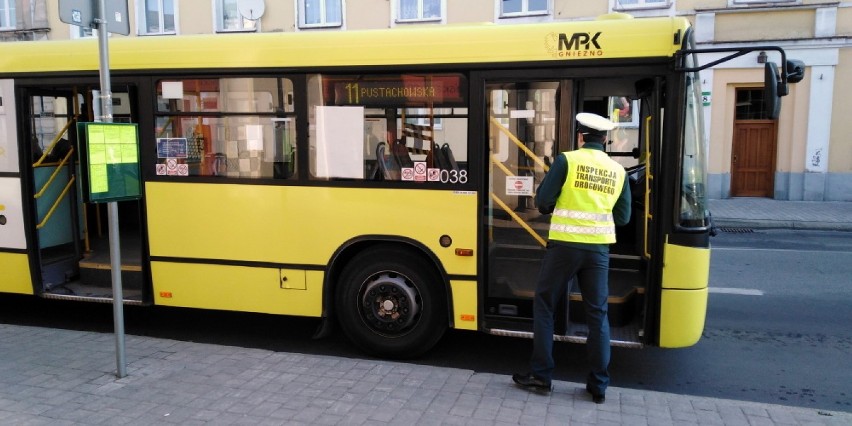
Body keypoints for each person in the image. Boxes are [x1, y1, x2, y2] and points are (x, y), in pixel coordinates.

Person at [512, 112, 631, 404]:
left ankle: (541, 376)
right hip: (598, 250)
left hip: (565, 246)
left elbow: (542, 201)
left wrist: (553, 204)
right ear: (605, 139)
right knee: (597, 315)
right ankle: (599, 386)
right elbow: (624, 217)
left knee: (544, 303)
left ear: (580, 136)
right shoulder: (618, 171)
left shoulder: (568, 161)